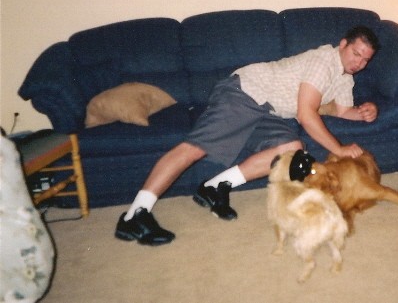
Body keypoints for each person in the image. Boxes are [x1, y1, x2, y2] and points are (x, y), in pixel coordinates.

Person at [115, 26, 380, 245]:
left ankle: (214, 187)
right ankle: (133, 216)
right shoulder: (324, 62)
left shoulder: (345, 78)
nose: (358, 63)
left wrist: (366, 112)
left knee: (291, 150)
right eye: (355, 53)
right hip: (244, 93)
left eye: (365, 60)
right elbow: (306, 114)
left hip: (269, 110)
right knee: (194, 148)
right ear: (342, 44)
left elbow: (343, 111)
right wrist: (339, 149)